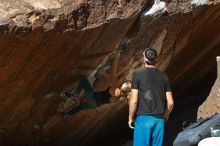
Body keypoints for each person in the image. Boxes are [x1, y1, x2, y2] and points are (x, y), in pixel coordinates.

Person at [61, 50, 132, 116]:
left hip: (93, 98)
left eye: (124, 83)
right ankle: (67, 114)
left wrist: (117, 56)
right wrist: (104, 74)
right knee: (81, 107)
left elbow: (113, 72)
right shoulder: (120, 95)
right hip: (95, 105)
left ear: (124, 87)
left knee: (83, 79)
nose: (123, 82)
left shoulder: (117, 89)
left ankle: (74, 95)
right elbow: (111, 81)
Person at [128, 48, 174, 146]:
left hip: (143, 119)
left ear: (144, 59)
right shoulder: (164, 77)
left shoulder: (138, 74)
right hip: (159, 121)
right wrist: (166, 115)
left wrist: (130, 118)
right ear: (156, 60)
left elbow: (134, 100)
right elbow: (170, 102)